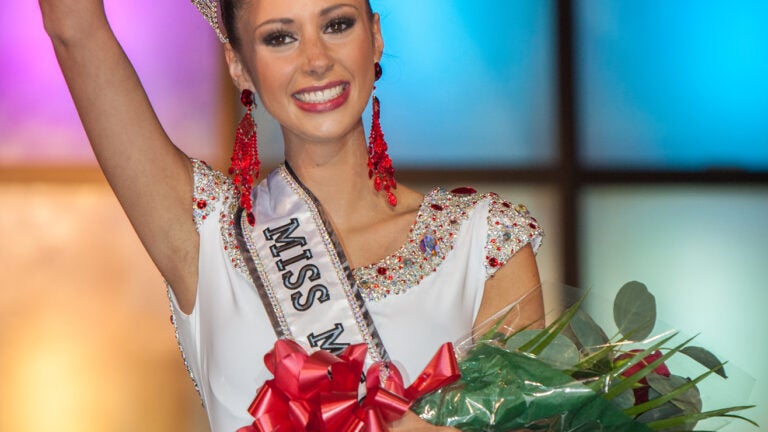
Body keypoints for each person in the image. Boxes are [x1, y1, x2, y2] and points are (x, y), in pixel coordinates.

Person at [40, 0, 544, 430]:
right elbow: (73, 27)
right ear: (238, 65)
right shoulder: (206, 234)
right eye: (280, 37)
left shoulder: (484, 242)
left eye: (337, 24)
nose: (317, 60)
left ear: (375, 35)